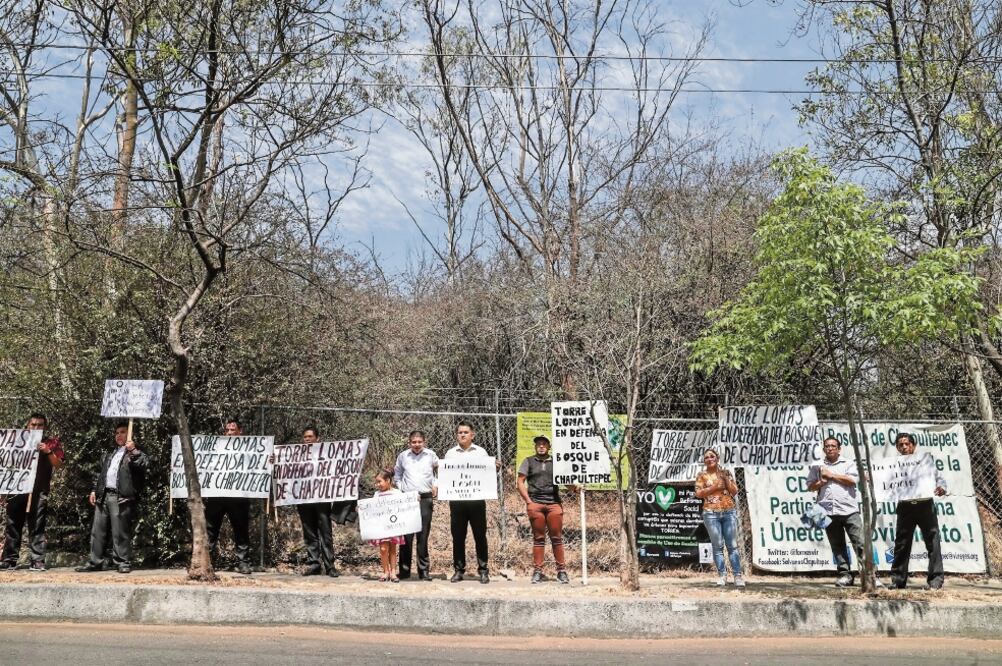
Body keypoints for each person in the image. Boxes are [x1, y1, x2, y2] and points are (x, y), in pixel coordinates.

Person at [76, 422, 148, 573]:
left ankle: (122, 562)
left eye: (123, 432)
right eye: (117, 433)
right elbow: (101, 474)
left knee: (120, 531)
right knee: (97, 530)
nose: (118, 435)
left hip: (120, 496)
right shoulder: (110, 454)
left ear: (130, 435)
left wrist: (133, 450)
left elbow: (143, 464)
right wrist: (95, 490)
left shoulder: (135, 453)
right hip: (104, 495)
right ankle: (95, 561)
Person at [807, 437, 877, 587]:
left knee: (860, 543)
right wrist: (821, 482)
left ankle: (869, 575)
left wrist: (831, 475)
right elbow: (810, 486)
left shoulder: (849, 463)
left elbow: (853, 481)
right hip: (825, 510)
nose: (830, 448)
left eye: (833, 446)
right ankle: (845, 575)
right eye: (827, 446)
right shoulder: (817, 466)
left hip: (848, 509)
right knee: (837, 545)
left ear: (839, 449)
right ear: (824, 449)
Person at [1, 413, 65, 571]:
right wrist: (3, 491)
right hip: (16, 489)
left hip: (39, 491)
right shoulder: (17, 441)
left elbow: (59, 465)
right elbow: (7, 466)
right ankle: (9, 559)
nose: (36, 428)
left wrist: (48, 451)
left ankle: (37, 560)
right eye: (33, 425)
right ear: (27, 426)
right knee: (13, 525)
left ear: (45, 427)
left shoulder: (51, 442)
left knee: (37, 525)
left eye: (40, 425)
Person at [890, 432, 947, 590]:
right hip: (905, 507)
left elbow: (939, 478)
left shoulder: (925, 462)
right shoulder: (892, 464)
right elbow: (885, 482)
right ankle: (897, 581)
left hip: (925, 505)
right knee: (901, 543)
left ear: (913, 446)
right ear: (897, 447)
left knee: (933, 541)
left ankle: (935, 580)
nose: (904, 447)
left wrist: (942, 488)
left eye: (907, 443)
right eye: (900, 444)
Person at [445, 420, 493, 584]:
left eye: (466, 432)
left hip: (476, 501)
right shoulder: (450, 454)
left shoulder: (481, 453)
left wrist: (495, 468)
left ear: (472, 435)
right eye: (460, 432)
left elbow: (488, 474)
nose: (463, 435)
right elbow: (446, 477)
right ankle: (459, 570)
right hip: (457, 502)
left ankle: (484, 570)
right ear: (457, 434)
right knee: (458, 536)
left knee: (480, 536)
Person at [204, 418, 253, 575]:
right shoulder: (216, 447)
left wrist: (269, 461)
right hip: (216, 494)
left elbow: (258, 466)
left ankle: (243, 562)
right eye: (227, 430)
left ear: (240, 431)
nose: (229, 433)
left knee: (241, 529)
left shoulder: (250, 449)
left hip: (239, 497)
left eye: (233, 430)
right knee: (210, 529)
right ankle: (207, 561)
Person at [517, 435, 568, 584]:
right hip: (535, 504)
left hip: (554, 504)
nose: (541, 446)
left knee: (557, 538)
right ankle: (538, 572)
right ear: (535, 447)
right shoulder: (528, 461)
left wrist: (577, 488)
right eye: (538, 444)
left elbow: (566, 481)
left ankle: (561, 572)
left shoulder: (557, 462)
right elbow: (520, 482)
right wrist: (528, 501)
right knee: (539, 539)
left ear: (549, 447)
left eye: (544, 444)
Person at [694, 448, 745, 587]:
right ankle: (722, 575)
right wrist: (714, 487)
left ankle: (737, 576)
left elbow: (734, 491)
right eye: (706, 457)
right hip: (710, 513)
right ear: (704, 461)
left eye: (712, 456)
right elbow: (698, 494)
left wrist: (725, 480)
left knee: (732, 546)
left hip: (728, 511)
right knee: (717, 546)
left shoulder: (726, 473)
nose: (709, 459)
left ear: (717, 459)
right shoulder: (701, 476)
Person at [394, 429, 438, 581]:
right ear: (409, 442)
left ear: (424, 442)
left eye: (419, 442)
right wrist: (400, 488)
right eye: (414, 442)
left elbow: (440, 471)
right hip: (407, 499)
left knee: (423, 536)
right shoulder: (403, 456)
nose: (417, 445)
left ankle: (423, 571)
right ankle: (404, 571)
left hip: (426, 499)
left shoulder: (431, 455)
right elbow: (397, 474)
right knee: (406, 537)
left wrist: (436, 485)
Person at [296, 426, 338, 577]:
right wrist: (275, 461)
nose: (307, 439)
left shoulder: (326, 453)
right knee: (309, 532)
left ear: (317, 438)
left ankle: (330, 566)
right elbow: (285, 469)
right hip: (303, 498)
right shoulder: (296, 454)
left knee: (325, 532)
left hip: (321, 499)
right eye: (305, 437)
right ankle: (314, 564)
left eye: (310, 437)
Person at [369, 468, 405, 582]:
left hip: (394, 525)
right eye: (376, 482)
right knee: (383, 548)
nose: (377, 484)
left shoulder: (397, 493)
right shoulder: (377, 494)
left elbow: (404, 506)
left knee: (393, 549)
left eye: (380, 481)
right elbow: (372, 508)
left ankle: (393, 572)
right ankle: (385, 571)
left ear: (388, 480)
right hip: (381, 526)